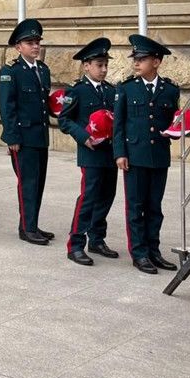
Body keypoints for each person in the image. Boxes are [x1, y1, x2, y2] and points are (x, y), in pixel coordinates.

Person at [114, 33, 180, 275]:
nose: (136, 63)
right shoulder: (127, 88)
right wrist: (120, 153)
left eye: (141, 59)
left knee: (155, 207)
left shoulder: (170, 90)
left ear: (156, 61)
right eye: (135, 58)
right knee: (136, 206)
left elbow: (174, 121)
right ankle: (139, 253)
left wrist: (178, 130)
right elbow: (118, 125)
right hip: (134, 156)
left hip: (159, 155)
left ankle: (154, 250)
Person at [59, 37, 121, 266]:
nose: (104, 69)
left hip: (110, 153)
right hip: (91, 153)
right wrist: (84, 137)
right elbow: (64, 120)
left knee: (107, 196)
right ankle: (75, 244)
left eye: (106, 64)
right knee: (88, 198)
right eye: (99, 65)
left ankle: (97, 238)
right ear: (86, 66)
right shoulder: (77, 91)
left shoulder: (111, 90)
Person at [0, 18, 54, 245]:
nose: (35, 46)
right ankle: (27, 228)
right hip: (22, 138)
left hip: (40, 135)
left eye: (37, 42)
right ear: (18, 47)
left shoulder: (43, 69)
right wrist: (12, 136)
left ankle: (32, 223)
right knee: (28, 182)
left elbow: (45, 104)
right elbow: (7, 107)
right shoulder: (10, 71)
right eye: (30, 42)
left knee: (38, 182)